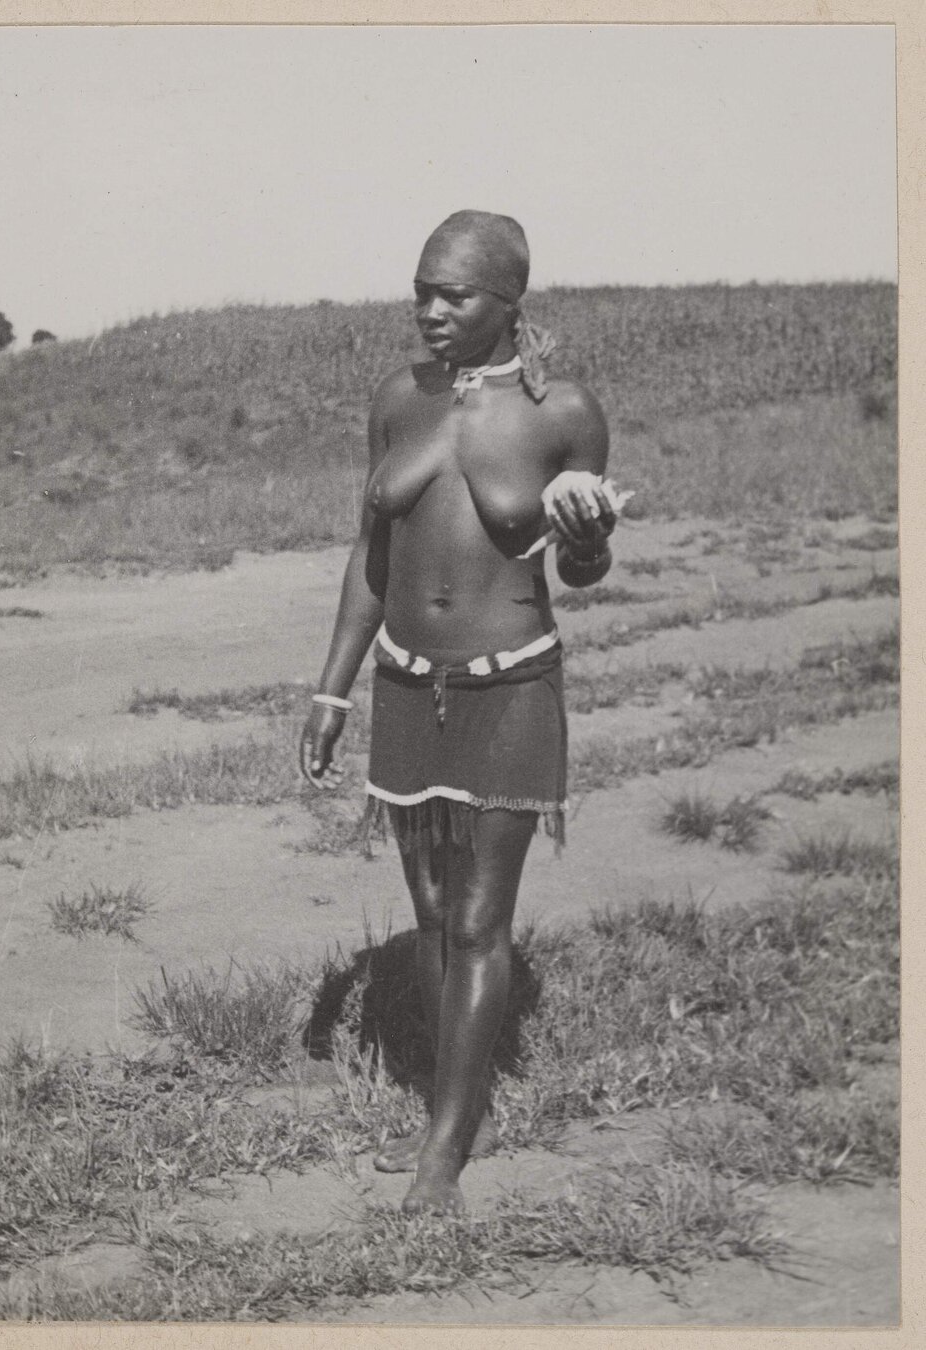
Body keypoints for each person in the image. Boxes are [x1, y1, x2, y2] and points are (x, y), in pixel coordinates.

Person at [299, 210, 617, 1214]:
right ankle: (463, 1106)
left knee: (480, 922)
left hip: (511, 683)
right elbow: (371, 553)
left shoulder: (563, 411)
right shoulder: (397, 398)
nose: (432, 311)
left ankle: (444, 1144)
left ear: (509, 301)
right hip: (402, 684)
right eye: (422, 290)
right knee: (433, 916)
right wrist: (330, 686)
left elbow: (583, 566)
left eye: (456, 295)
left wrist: (589, 536)